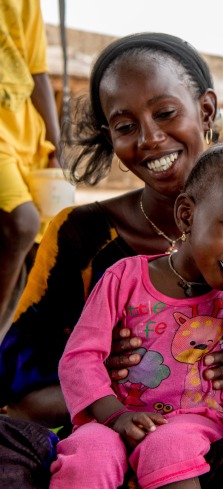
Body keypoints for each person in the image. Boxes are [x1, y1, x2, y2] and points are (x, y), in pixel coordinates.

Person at [0, 32, 223, 489]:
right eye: (125, 125)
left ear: (207, 111)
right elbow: (18, 400)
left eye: (166, 113)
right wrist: (115, 392)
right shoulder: (81, 235)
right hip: (96, 443)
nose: (151, 138)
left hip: (208, 450)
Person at [50, 143, 223, 489]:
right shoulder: (124, 279)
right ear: (187, 215)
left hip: (196, 424)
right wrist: (115, 415)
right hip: (112, 417)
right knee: (89, 452)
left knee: (169, 445)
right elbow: (79, 359)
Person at [0, 0, 62, 336]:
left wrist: (55, 143)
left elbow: (36, 69)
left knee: (41, 241)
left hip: (24, 130)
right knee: (22, 223)